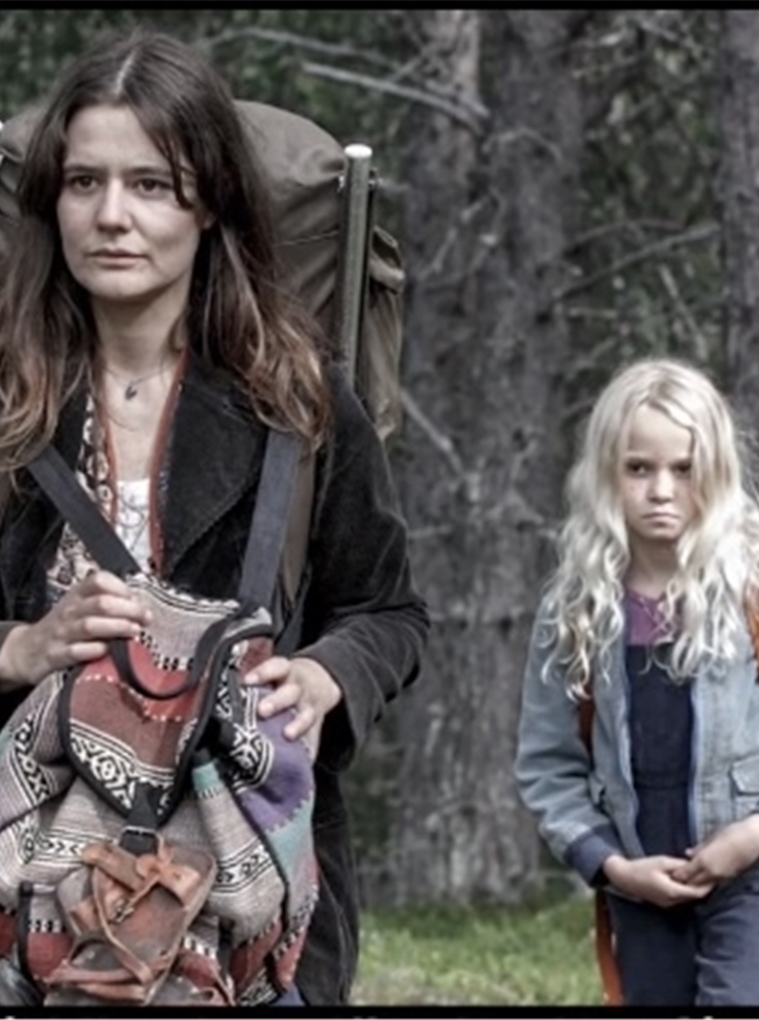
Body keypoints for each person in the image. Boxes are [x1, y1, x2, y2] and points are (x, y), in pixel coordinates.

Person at [0, 28, 428, 1007]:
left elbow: (389, 612)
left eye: (152, 184)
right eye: (84, 182)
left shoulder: (298, 401)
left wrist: (324, 676)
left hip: (245, 896)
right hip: (26, 888)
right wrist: (22, 647)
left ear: (209, 204)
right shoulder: (10, 405)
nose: (113, 215)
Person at [515, 357, 759, 1007]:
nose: (661, 489)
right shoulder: (575, 610)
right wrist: (614, 868)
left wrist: (757, 833)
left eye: (684, 469)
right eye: (638, 468)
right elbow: (547, 766)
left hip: (754, 874)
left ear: (716, 471)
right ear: (604, 474)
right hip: (639, 881)